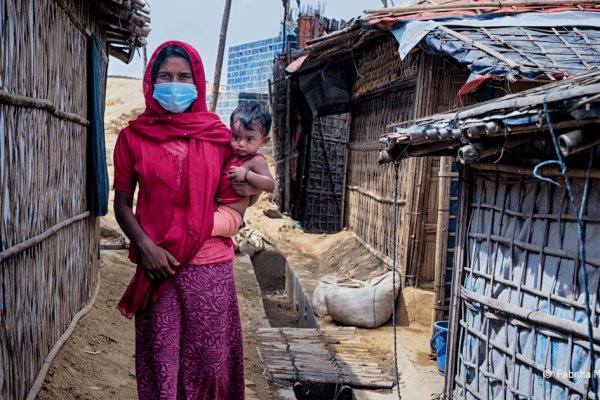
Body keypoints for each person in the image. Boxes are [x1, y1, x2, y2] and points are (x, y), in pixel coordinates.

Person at [113, 40, 255, 400]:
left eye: (183, 76)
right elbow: (122, 204)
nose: (174, 84)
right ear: (151, 81)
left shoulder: (221, 138)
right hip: (157, 268)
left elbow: (236, 209)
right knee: (162, 367)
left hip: (210, 271)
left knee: (210, 367)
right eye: (165, 76)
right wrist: (146, 249)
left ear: (198, 83)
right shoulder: (132, 138)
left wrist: (196, 230)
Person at [215, 102, 275, 219]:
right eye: (236, 137)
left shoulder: (256, 160)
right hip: (219, 209)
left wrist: (247, 175)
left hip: (231, 215)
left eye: (249, 139)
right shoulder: (232, 155)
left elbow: (270, 185)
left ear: (264, 141)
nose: (241, 144)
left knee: (201, 227)